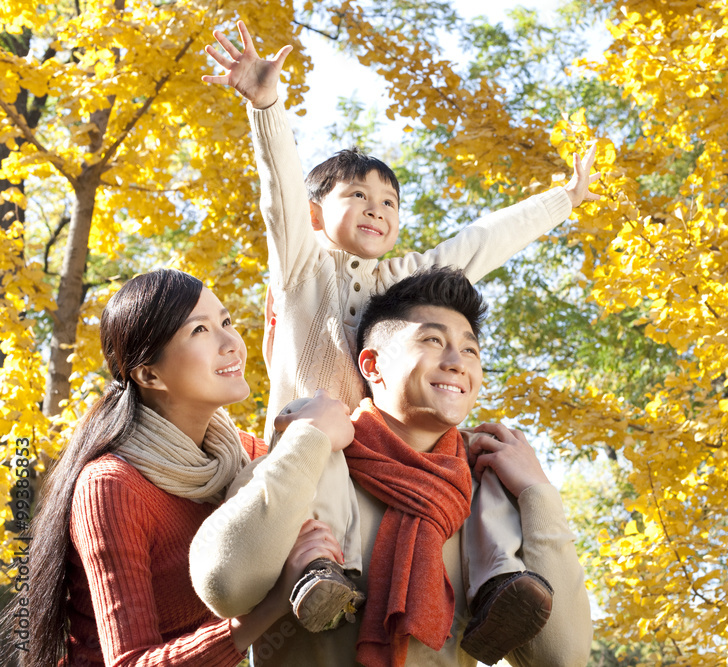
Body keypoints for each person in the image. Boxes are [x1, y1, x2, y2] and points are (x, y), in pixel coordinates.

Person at [201, 19, 599, 660]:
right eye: (356, 195)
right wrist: (267, 105)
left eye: (389, 200)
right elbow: (278, 193)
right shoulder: (303, 265)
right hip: (312, 443)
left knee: (479, 458)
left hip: (392, 443)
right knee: (328, 450)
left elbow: (481, 242)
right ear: (317, 215)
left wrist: (563, 200)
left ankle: (502, 581)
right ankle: (324, 573)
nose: (376, 208)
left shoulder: (405, 281)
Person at [190, 267, 592, 666]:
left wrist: (538, 493)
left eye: (470, 349)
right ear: (372, 365)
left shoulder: (487, 490)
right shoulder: (306, 461)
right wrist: (309, 439)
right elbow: (226, 586)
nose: (457, 362)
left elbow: (561, 659)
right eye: (433, 340)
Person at [0, 269, 349, 667]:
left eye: (226, 322)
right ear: (149, 373)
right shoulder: (112, 486)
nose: (231, 343)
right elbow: (130, 661)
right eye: (199, 330)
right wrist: (271, 606)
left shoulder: (244, 453)